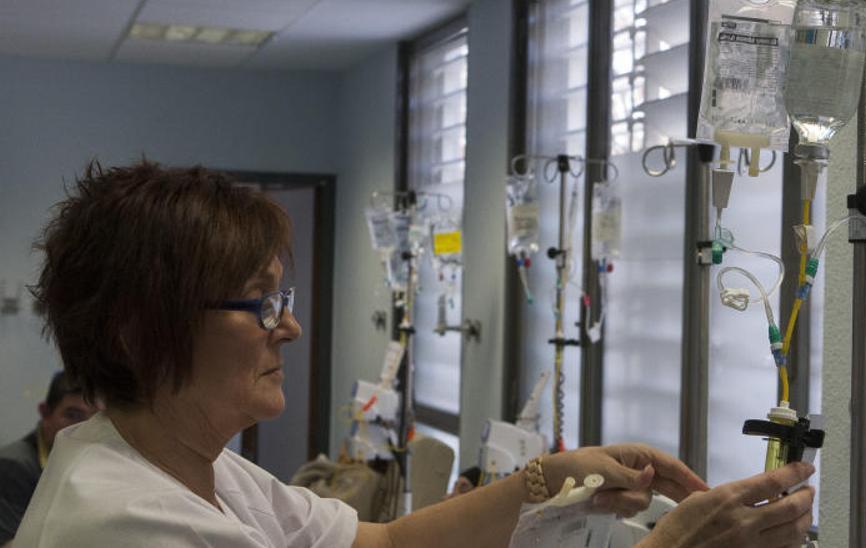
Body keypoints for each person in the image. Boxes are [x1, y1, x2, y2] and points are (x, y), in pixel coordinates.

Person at [13, 161, 815, 547]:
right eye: (261, 304)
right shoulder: (125, 526)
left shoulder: (194, 466)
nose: (288, 328)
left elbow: (387, 546)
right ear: (135, 330)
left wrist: (545, 479)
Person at [0, 372, 96, 545]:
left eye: (94, 421)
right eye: (73, 416)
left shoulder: (84, 465)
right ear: (45, 413)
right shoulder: (12, 467)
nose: (84, 429)